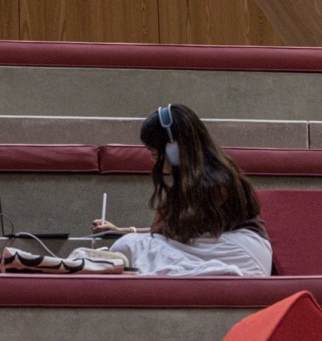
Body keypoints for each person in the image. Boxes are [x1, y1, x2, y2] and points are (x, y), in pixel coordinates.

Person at [92, 103, 272, 277]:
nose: (152, 160)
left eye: (154, 153)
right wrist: (121, 230)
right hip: (218, 247)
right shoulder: (203, 175)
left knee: (130, 246)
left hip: (238, 251)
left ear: (174, 150)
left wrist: (132, 233)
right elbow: (170, 230)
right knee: (127, 244)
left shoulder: (216, 181)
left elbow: (171, 231)